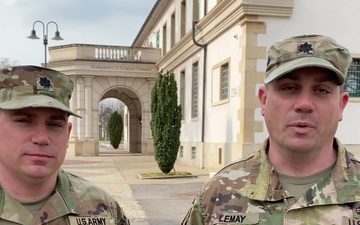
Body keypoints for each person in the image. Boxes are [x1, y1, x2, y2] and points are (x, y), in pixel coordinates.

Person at [181, 34, 360, 225]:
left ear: (341, 106)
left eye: (321, 90)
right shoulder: (218, 192)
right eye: (289, 88)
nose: (304, 104)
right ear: (264, 101)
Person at [0, 65, 130, 225]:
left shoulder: (102, 206)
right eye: (24, 121)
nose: (42, 138)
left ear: (68, 134)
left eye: (54, 124)